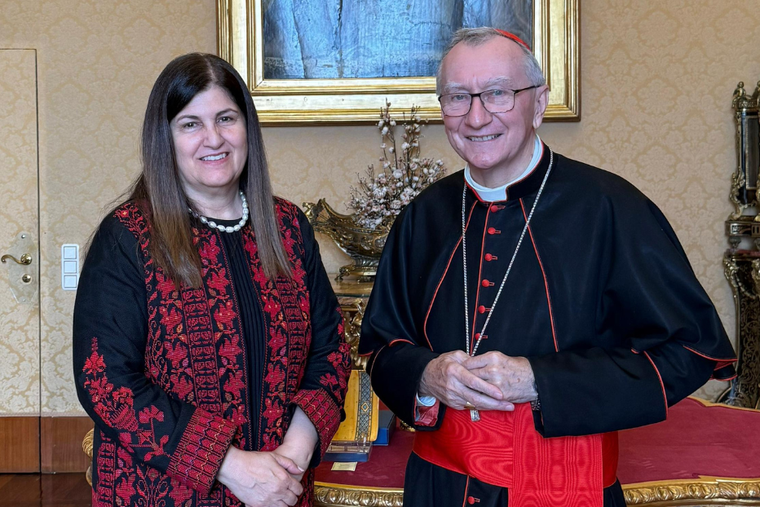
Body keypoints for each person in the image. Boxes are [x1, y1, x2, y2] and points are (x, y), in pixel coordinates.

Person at [358, 27, 737, 507]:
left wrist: (539, 381)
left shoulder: (610, 208)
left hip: (563, 483)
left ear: (538, 104)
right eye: (458, 97)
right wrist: (427, 375)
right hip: (438, 487)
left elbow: (692, 351)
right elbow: (381, 349)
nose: (476, 117)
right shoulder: (424, 215)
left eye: (497, 93)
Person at [73, 53, 351, 507]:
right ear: (164, 138)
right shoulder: (128, 236)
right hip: (161, 494)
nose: (213, 139)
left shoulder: (287, 227)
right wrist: (232, 466)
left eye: (226, 118)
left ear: (248, 128)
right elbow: (107, 384)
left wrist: (292, 460)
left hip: (284, 489)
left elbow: (332, 351)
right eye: (190, 124)